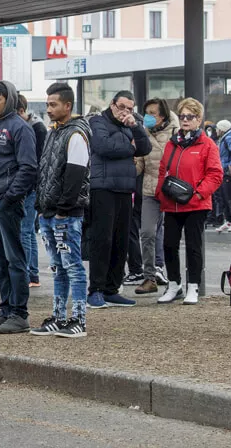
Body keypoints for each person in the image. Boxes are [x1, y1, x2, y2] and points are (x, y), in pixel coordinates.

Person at [0, 81, 39, 333]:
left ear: (9, 99)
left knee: (15, 259)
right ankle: (6, 309)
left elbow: (29, 168)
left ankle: (19, 313)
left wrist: (9, 198)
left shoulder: (20, 128)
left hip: (5, 203)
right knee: (0, 260)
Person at [29, 83, 92, 338]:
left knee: (72, 265)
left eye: (53, 104)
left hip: (65, 214)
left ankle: (78, 319)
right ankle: (59, 316)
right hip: (50, 212)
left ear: (68, 105)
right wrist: (42, 208)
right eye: (47, 105)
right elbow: (45, 171)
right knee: (58, 266)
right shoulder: (55, 132)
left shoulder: (76, 134)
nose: (48, 109)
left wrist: (63, 210)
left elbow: (76, 175)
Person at [155, 98, 224, 305]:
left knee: (193, 246)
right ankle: (174, 284)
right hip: (172, 203)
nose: (185, 120)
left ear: (199, 119)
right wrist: (161, 192)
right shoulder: (171, 143)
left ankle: (193, 286)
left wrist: (199, 194)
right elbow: (162, 169)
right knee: (169, 245)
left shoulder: (207, 144)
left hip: (196, 204)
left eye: (190, 117)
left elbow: (215, 174)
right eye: (182, 116)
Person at [87, 90, 152, 309]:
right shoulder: (98, 121)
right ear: (112, 104)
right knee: (102, 240)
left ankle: (112, 289)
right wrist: (129, 148)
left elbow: (146, 148)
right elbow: (103, 147)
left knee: (121, 241)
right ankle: (95, 289)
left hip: (125, 188)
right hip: (103, 187)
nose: (125, 112)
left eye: (129, 108)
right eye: (121, 106)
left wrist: (135, 127)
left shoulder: (130, 126)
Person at [133, 97, 174, 295]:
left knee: (171, 237)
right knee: (147, 232)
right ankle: (149, 277)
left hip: (174, 191)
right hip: (150, 190)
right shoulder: (142, 134)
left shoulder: (176, 131)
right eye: (146, 113)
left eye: (153, 113)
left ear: (163, 115)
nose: (148, 117)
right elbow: (139, 163)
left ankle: (175, 279)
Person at [16, 94, 45, 286]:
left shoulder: (35, 129)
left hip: (30, 186)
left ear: (20, 111)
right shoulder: (37, 126)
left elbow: (34, 161)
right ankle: (32, 274)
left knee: (24, 231)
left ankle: (27, 274)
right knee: (28, 232)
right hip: (32, 185)